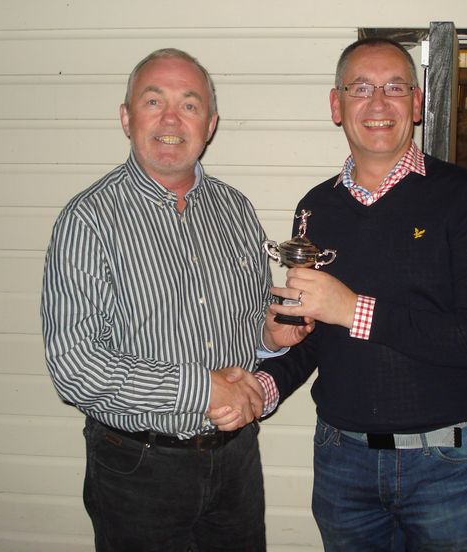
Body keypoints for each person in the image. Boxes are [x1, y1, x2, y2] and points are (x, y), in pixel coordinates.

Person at [229, 38, 467, 551]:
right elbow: (318, 337)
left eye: (394, 88)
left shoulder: (465, 198)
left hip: (446, 463)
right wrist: (263, 384)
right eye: (360, 88)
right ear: (336, 105)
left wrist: (352, 308)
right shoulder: (316, 208)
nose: (378, 103)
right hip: (343, 460)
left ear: (418, 102)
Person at [41, 48, 311, 551]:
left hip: (236, 458)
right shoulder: (88, 221)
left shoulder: (235, 210)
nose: (171, 119)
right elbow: (73, 366)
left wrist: (271, 337)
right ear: (126, 118)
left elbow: (246, 323)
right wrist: (203, 390)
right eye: (153, 101)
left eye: (189, 105)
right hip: (138, 468)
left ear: (209, 123)